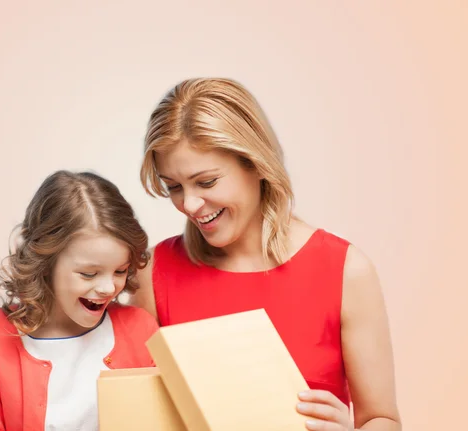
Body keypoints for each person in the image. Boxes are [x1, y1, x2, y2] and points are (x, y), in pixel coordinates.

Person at [133, 78, 402, 431]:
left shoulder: (346, 271)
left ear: (256, 163)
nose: (190, 204)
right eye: (174, 187)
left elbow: (382, 419)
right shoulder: (153, 273)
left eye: (207, 182)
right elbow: (134, 412)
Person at [0, 170, 159, 431]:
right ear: (46, 263)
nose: (109, 287)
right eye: (89, 274)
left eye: (120, 270)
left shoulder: (141, 331)